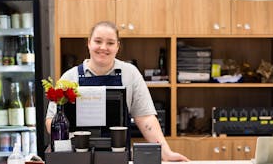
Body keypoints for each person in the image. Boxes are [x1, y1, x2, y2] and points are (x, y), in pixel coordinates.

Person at [46, 21, 189, 162]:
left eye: (110, 43)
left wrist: (166, 153)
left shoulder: (130, 73)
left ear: (117, 46)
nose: (103, 47)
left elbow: (145, 118)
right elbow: (51, 121)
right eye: (98, 41)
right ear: (89, 43)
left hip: (118, 156)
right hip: (77, 158)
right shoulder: (70, 77)